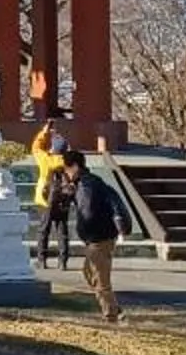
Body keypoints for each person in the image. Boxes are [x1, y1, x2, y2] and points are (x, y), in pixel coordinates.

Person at [61, 148, 134, 321]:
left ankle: (111, 315)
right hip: (96, 238)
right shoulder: (85, 184)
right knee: (89, 272)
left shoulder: (88, 186)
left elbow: (90, 213)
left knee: (100, 279)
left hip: (99, 238)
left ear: (75, 167)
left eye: (67, 169)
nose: (66, 173)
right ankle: (115, 309)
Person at [31, 121, 75, 269]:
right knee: (62, 229)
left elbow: (36, 147)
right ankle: (63, 261)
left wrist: (45, 132)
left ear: (52, 148)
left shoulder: (45, 159)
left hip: (46, 196)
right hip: (64, 197)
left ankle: (42, 260)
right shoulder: (68, 162)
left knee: (44, 228)